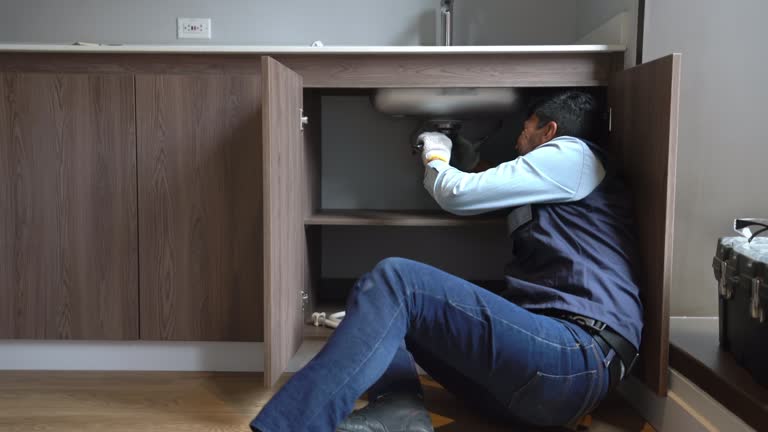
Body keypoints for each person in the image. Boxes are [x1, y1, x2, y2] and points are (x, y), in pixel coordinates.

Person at [250, 91, 643, 432]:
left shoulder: (572, 154)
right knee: (375, 294)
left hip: (574, 356)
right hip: (541, 389)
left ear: (550, 131)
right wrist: (466, 163)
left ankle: (293, 426)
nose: (519, 138)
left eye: (527, 128)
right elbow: (487, 187)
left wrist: (437, 152)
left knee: (397, 280)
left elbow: (457, 195)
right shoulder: (563, 179)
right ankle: (397, 414)